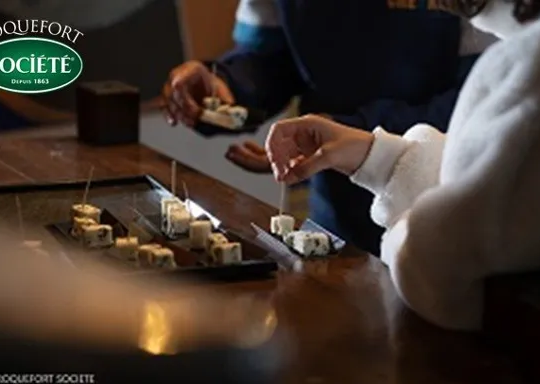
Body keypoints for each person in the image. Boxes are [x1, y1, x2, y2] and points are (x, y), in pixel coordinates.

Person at [264, 0, 540, 330]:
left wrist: (403, 237)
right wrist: (380, 157)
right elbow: (490, 181)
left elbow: (440, 268)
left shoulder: (532, 62)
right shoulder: (524, 49)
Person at [161, 0, 495, 255]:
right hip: (336, 210)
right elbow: (270, 56)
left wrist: (349, 133)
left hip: (448, 207)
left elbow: (484, 98)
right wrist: (226, 86)